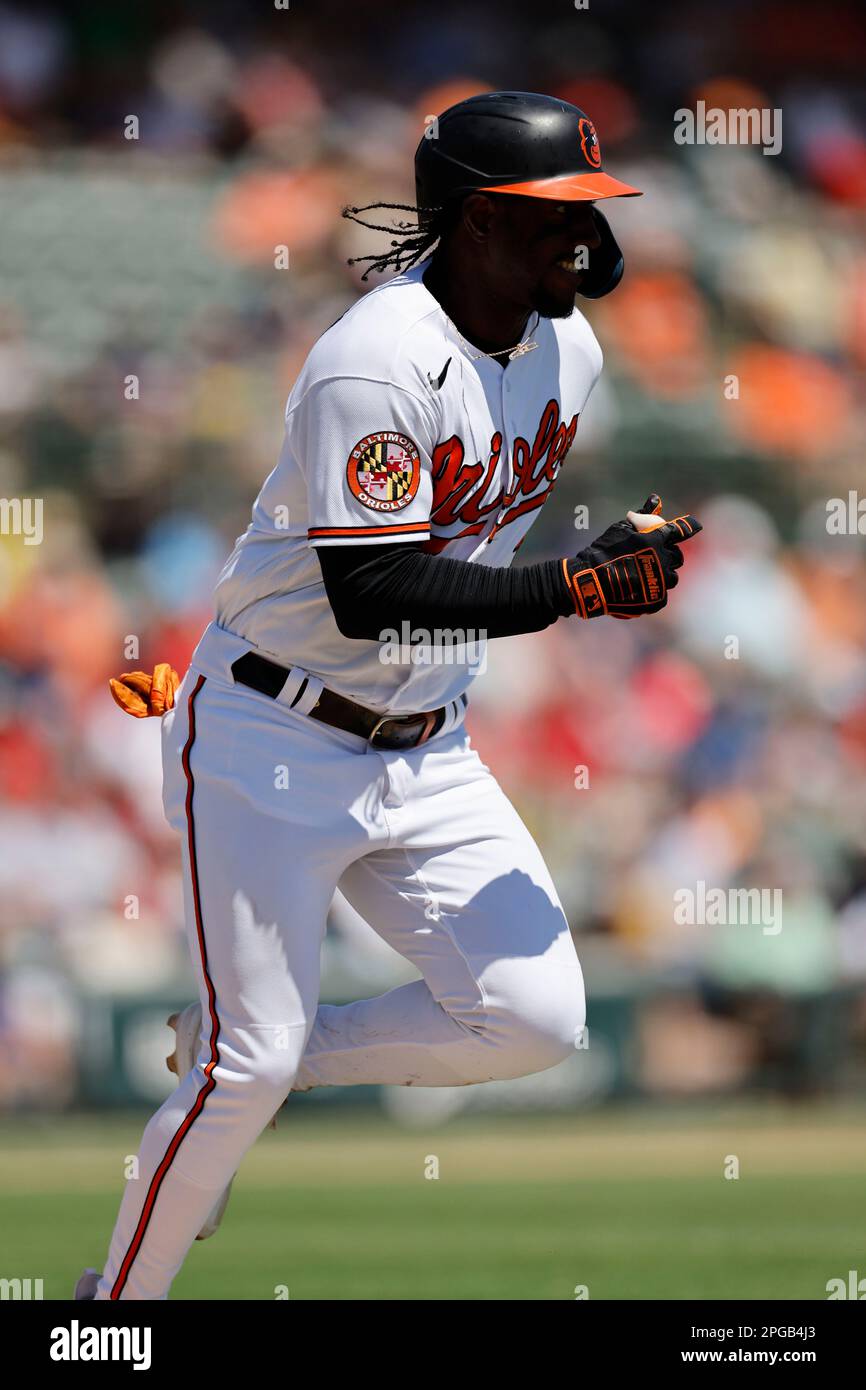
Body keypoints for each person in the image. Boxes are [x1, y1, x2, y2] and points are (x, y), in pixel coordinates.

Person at [80, 90, 701, 1301]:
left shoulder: (565, 344)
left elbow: (580, 303)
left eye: (588, 214)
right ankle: (111, 1321)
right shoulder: (373, 359)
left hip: (427, 743)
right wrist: (568, 588)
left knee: (531, 1015)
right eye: (553, 216)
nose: (582, 240)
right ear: (476, 222)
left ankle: (258, 1063)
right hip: (271, 727)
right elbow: (369, 589)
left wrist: (594, 562)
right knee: (243, 1071)